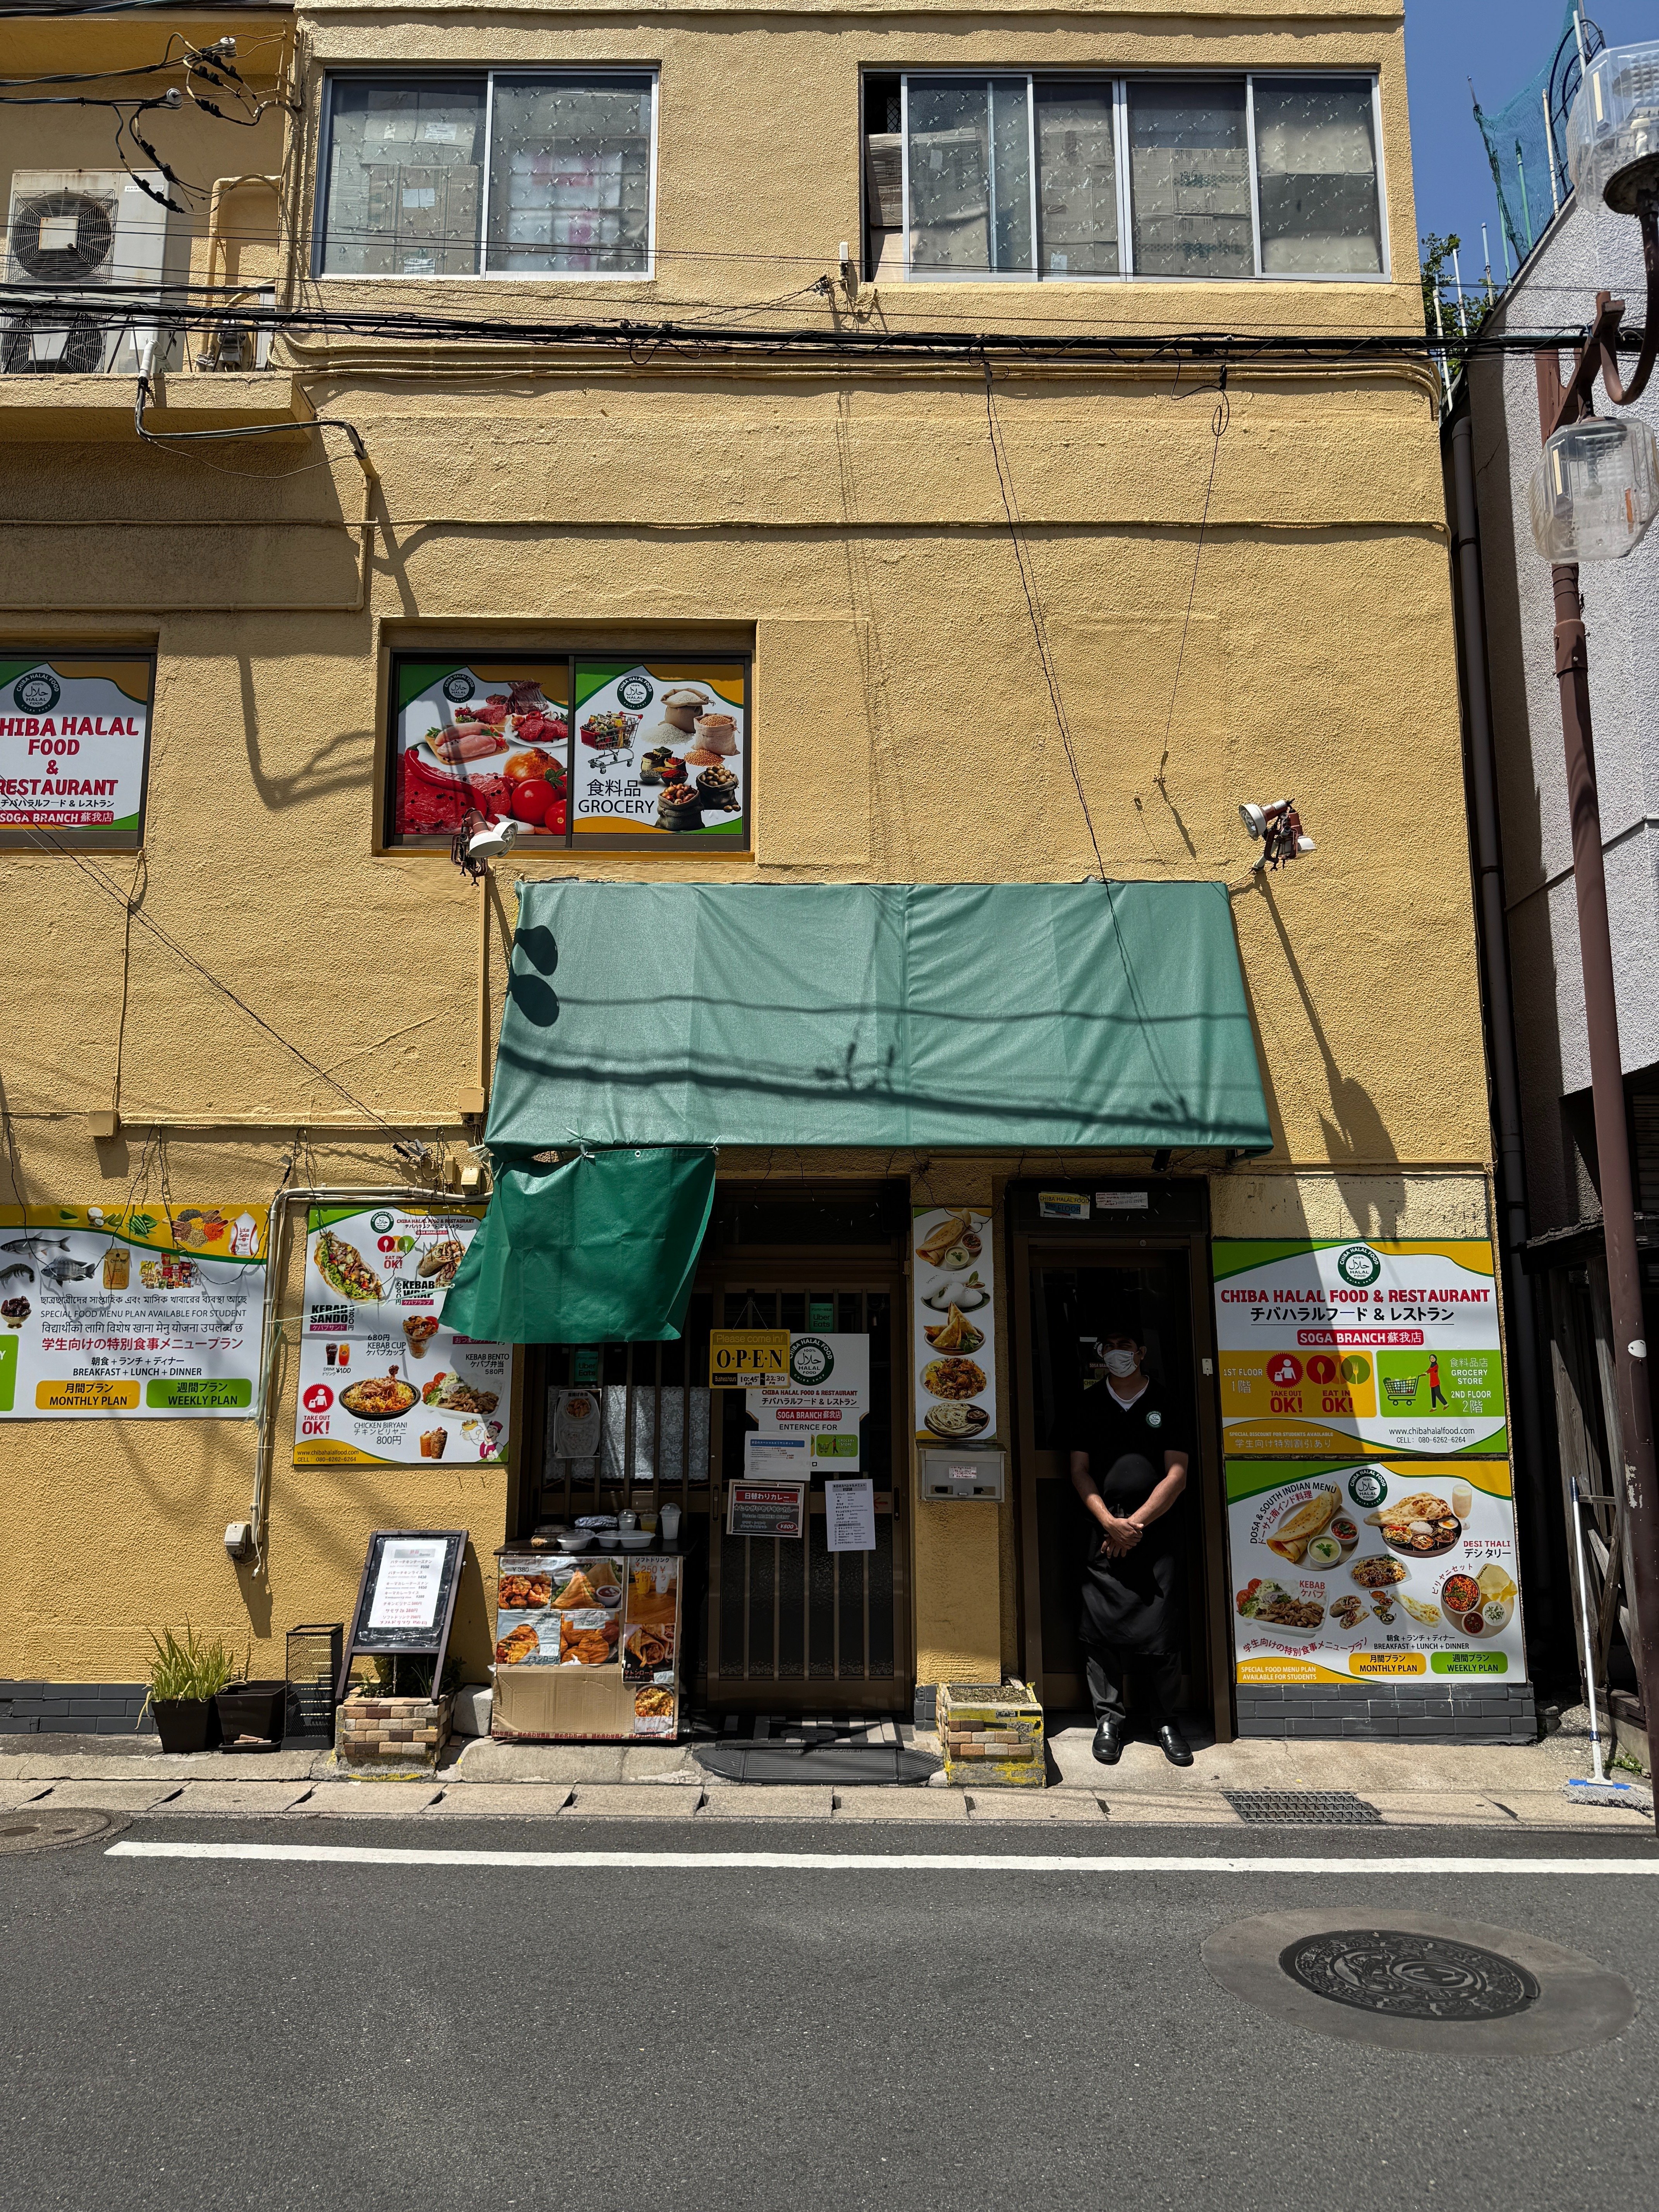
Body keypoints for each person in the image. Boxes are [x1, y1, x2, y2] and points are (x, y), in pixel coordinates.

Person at [1068, 1319, 1192, 1767]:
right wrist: (1108, 1522)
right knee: (1098, 1629)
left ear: (1141, 1353)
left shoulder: (1164, 1401)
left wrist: (1134, 1526)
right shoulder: (1088, 1403)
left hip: (1155, 1533)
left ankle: (1164, 1720)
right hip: (1101, 1530)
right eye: (1110, 1346)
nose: (1117, 1352)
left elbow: (1176, 1474)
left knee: (1161, 1629)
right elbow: (1079, 1469)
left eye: (1125, 1346)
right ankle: (1109, 1719)